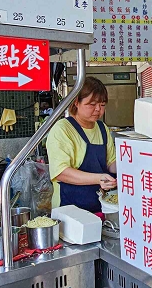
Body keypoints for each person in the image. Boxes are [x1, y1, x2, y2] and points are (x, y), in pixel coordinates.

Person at [45, 77, 116, 214]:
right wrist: (98, 178)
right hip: (70, 209)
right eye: (92, 104)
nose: (98, 110)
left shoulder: (102, 128)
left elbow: (110, 163)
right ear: (76, 102)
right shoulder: (62, 129)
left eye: (102, 105)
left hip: (99, 206)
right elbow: (61, 172)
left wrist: (132, 165)